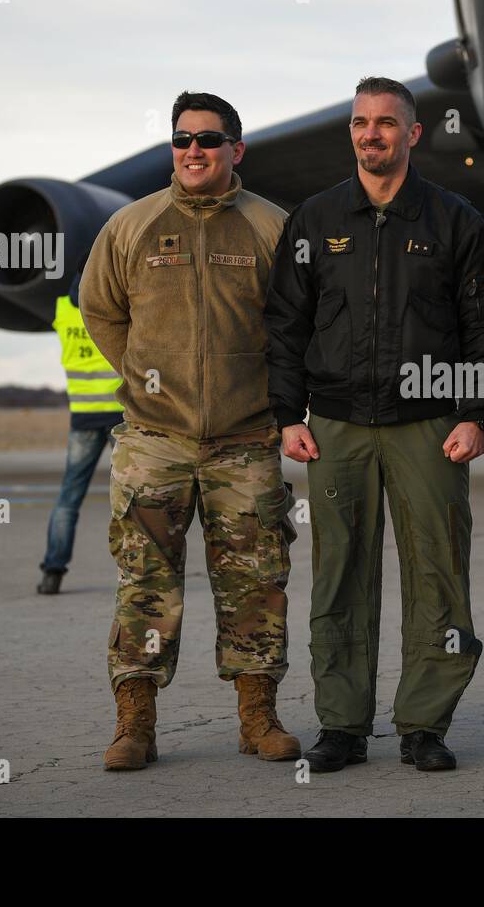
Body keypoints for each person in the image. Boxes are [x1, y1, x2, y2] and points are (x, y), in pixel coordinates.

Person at [265, 77, 484, 773]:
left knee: (439, 577)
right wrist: (288, 415)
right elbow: (285, 323)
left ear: (412, 134)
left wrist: (477, 414)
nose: (371, 134)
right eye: (360, 123)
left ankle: (425, 724)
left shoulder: (455, 221)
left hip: (429, 425)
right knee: (338, 576)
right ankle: (341, 724)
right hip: (336, 424)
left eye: (385, 123)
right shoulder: (314, 221)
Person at [80, 91, 300, 771]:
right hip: (155, 443)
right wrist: (151, 379)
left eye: (208, 139)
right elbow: (100, 310)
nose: (194, 150)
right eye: (181, 139)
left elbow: (298, 322)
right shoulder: (131, 226)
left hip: (246, 442)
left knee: (256, 583)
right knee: (146, 584)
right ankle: (135, 725)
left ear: (237, 148)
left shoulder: (271, 227)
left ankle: (258, 718)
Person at [35, 271, 123, 596]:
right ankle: (138, 571)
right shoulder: (114, 305)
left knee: (68, 499)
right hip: (120, 415)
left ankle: (52, 573)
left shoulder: (61, 309)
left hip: (82, 417)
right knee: (132, 498)